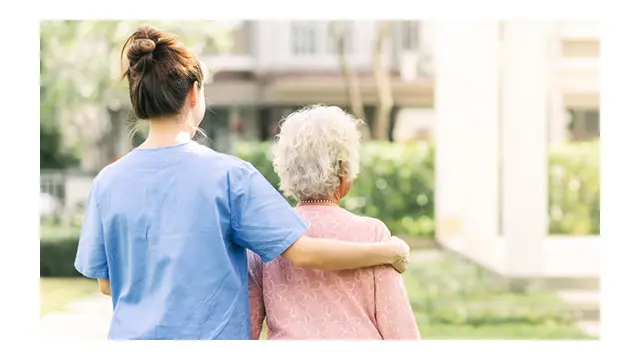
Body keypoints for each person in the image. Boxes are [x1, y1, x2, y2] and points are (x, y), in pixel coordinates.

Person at [73, 25, 411, 341]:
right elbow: (303, 252)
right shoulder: (230, 177)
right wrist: (387, 251)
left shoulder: (107, 182)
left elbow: (106, 283)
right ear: (194, 93)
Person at [248, 105, 420, 340]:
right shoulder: (372, 233)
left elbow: (248, 326)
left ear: (286, 169)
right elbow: (400, 330)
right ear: (344, 169)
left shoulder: (266, 235)